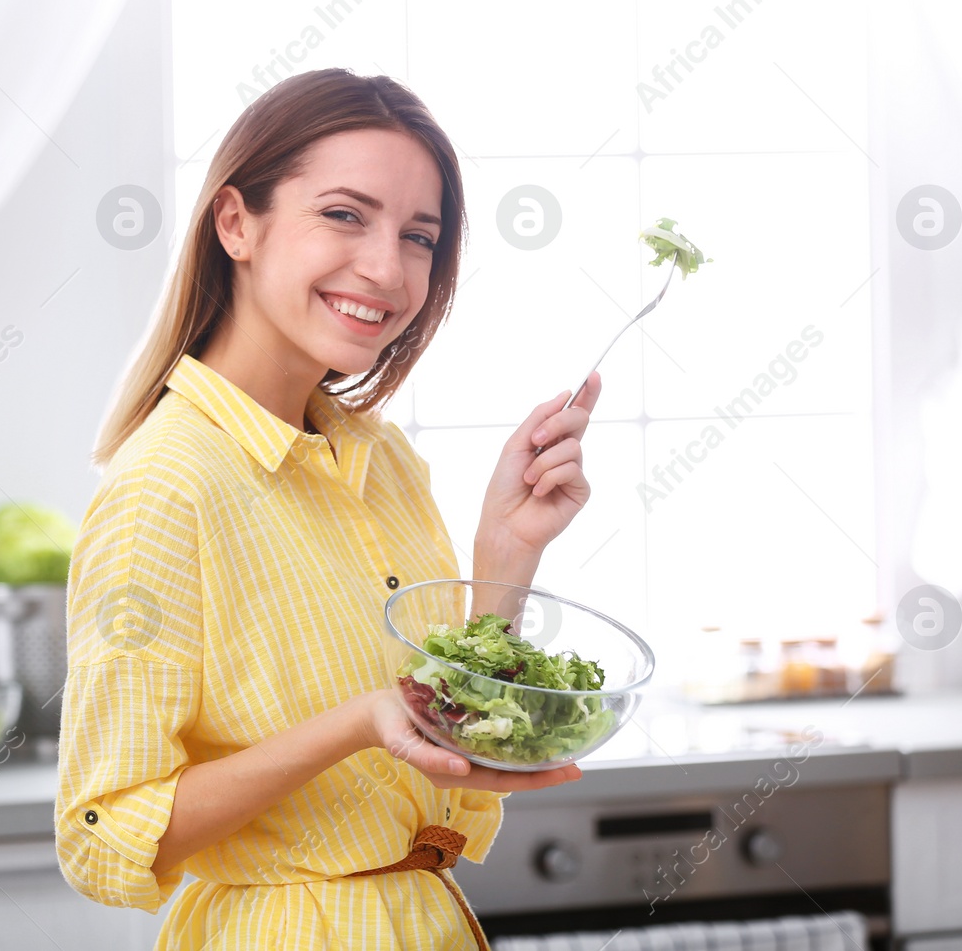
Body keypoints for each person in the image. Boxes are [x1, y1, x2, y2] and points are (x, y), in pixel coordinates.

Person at [55, 67, 602, 950]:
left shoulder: (382, 461)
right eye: (344, 215)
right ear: (236, 223)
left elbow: (451, 776)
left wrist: (504, 558)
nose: (387, 268)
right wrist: (355, 725)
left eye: (420, 237)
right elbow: (102, 836)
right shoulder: (166, 487)